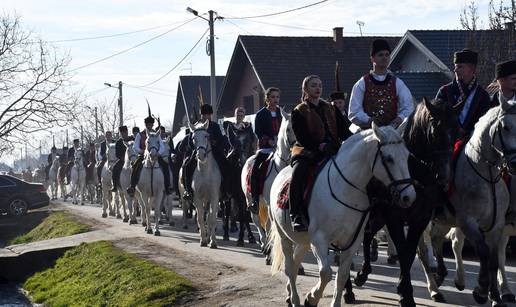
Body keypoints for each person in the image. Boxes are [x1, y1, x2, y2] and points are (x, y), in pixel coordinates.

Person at [290, 75, 351, 232]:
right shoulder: (299, 111)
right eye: (313, 86)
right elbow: (302, 138)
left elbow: (345, 132)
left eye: (320, 85)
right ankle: (296, 214)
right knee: (298, 173)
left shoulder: (331, 108)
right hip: (308, 151)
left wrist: (356, 142)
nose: (318, 88)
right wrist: (320, 146)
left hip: (333, 149)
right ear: (305, 89)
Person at [348, 39, 414, 131]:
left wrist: (399, 119)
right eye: (380, 55)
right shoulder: (362, 83)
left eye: (387, 55)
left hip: (393, 132)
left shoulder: (398, 83)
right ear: (372, 58)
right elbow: (354, 112)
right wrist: (370, 120)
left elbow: (409, 108)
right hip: (367, 132)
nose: (384, 58)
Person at [435, 48, 491, 140]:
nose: (455, 70)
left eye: (460, 67)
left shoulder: (482, 96)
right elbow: (436, 118)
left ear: (471, 69)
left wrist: (467, 132)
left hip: (473, 142)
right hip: (446, 143)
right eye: (455, 66)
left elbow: (485, 123)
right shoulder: (444, 91)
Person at [182, 104, 230, 201]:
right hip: (198, 152)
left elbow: (221, 140)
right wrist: (195, 148)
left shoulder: (215, 126)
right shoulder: (195, 126)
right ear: (201, 115)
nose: (205, 116)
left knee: (226, 165)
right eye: (204, 114)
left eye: (208, 114)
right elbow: (190, 141)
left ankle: (225, 190)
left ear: (210, 115)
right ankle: (188, 191)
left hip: (214, 152)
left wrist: (215, 143)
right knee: (186, 165)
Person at [249, 87, 282, 213]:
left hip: (280, 148)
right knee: (255, 170)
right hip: (266, 149)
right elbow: (258, 131)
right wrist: (268, 140)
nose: (275, 99)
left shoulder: (281, 113)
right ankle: (254, 200)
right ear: (267, 99)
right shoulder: (260, 114)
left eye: (277, 97)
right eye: (273, 97)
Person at [126, 109, 171, 196]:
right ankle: (132, 186)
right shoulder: (140, 134)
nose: (149, 126)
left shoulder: (157, 134)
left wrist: (159, 153)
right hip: (143, 156)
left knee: (165, 166)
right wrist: (142, 151)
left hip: (156, 155)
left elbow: (161, 146)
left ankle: (167, 186)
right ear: (145, 124)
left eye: (150, 124)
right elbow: (135, 147)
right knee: (135, 166)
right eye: (148, 124)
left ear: (152, 124)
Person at [110, 126, 131, 192]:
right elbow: (117, 154)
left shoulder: (132, 139)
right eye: (122, 133)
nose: (124, 134)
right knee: (115, 168)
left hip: (133, 158)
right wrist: (123, 158)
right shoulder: (118, 142)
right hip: (122, 160)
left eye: (125, 132)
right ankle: (115, 185)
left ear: (127, 132)